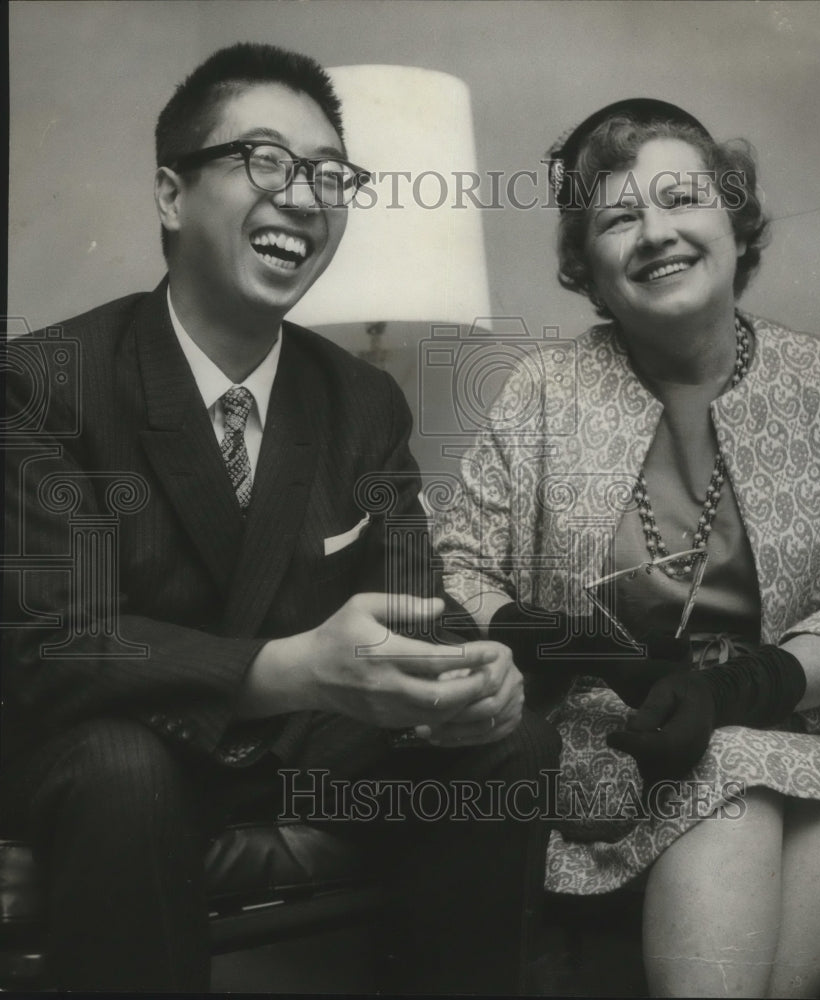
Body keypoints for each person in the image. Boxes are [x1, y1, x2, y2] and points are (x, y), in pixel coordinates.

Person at [1, 43, 560, 993]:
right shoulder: (47, 379)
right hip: (118, 749)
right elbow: (56, 642)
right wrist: (288, 666)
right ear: (172, 196)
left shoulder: (359, 401)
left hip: (301, 751)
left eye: (329, 174)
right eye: (264, 160)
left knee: (507, 739)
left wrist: (472, 669)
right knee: (122, 770)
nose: (304, 198)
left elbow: (415, 595)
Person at [434, 98, 820, 998]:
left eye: (680, 200)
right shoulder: (545, 388)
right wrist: (588, 653)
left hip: (807, 727)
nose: (655, 233)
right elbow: (454, 563)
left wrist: (741, 686)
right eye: (618, 217)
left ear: (735, 223)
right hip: (617, 743)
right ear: (587, 269)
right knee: (733, 789)